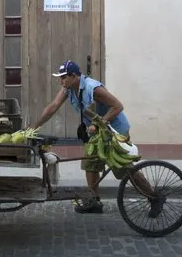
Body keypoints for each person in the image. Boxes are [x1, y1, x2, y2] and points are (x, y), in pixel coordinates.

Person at [32, 60, 165, 216]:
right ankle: (93, 202)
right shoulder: (68, 89)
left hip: (114, 130)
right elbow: (53, 106)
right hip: (96, 133)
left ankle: (154, 197)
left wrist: (100, 123)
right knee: (90, 163)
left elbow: (118, 106)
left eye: (63, 77)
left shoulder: (93, 88)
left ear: (74, 76)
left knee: (123, 169)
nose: (60, 81)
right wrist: (34, 127)